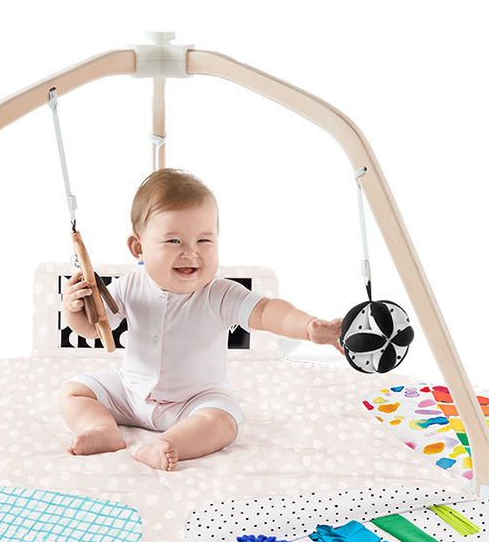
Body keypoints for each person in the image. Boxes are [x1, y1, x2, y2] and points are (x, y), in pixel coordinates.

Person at [59, 167, 344, 472]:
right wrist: (73, 309)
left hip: (193, 402)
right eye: (174, 241)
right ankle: (102, 429)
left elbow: (266, 311)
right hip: (130, 394)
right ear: (138, 248)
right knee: (73, 391)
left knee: (224, 419)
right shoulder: (129, 286)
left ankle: (169, 443)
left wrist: (310, 328)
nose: (191, 252)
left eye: (204, 240)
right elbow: (95, 329)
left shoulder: (219, 294)